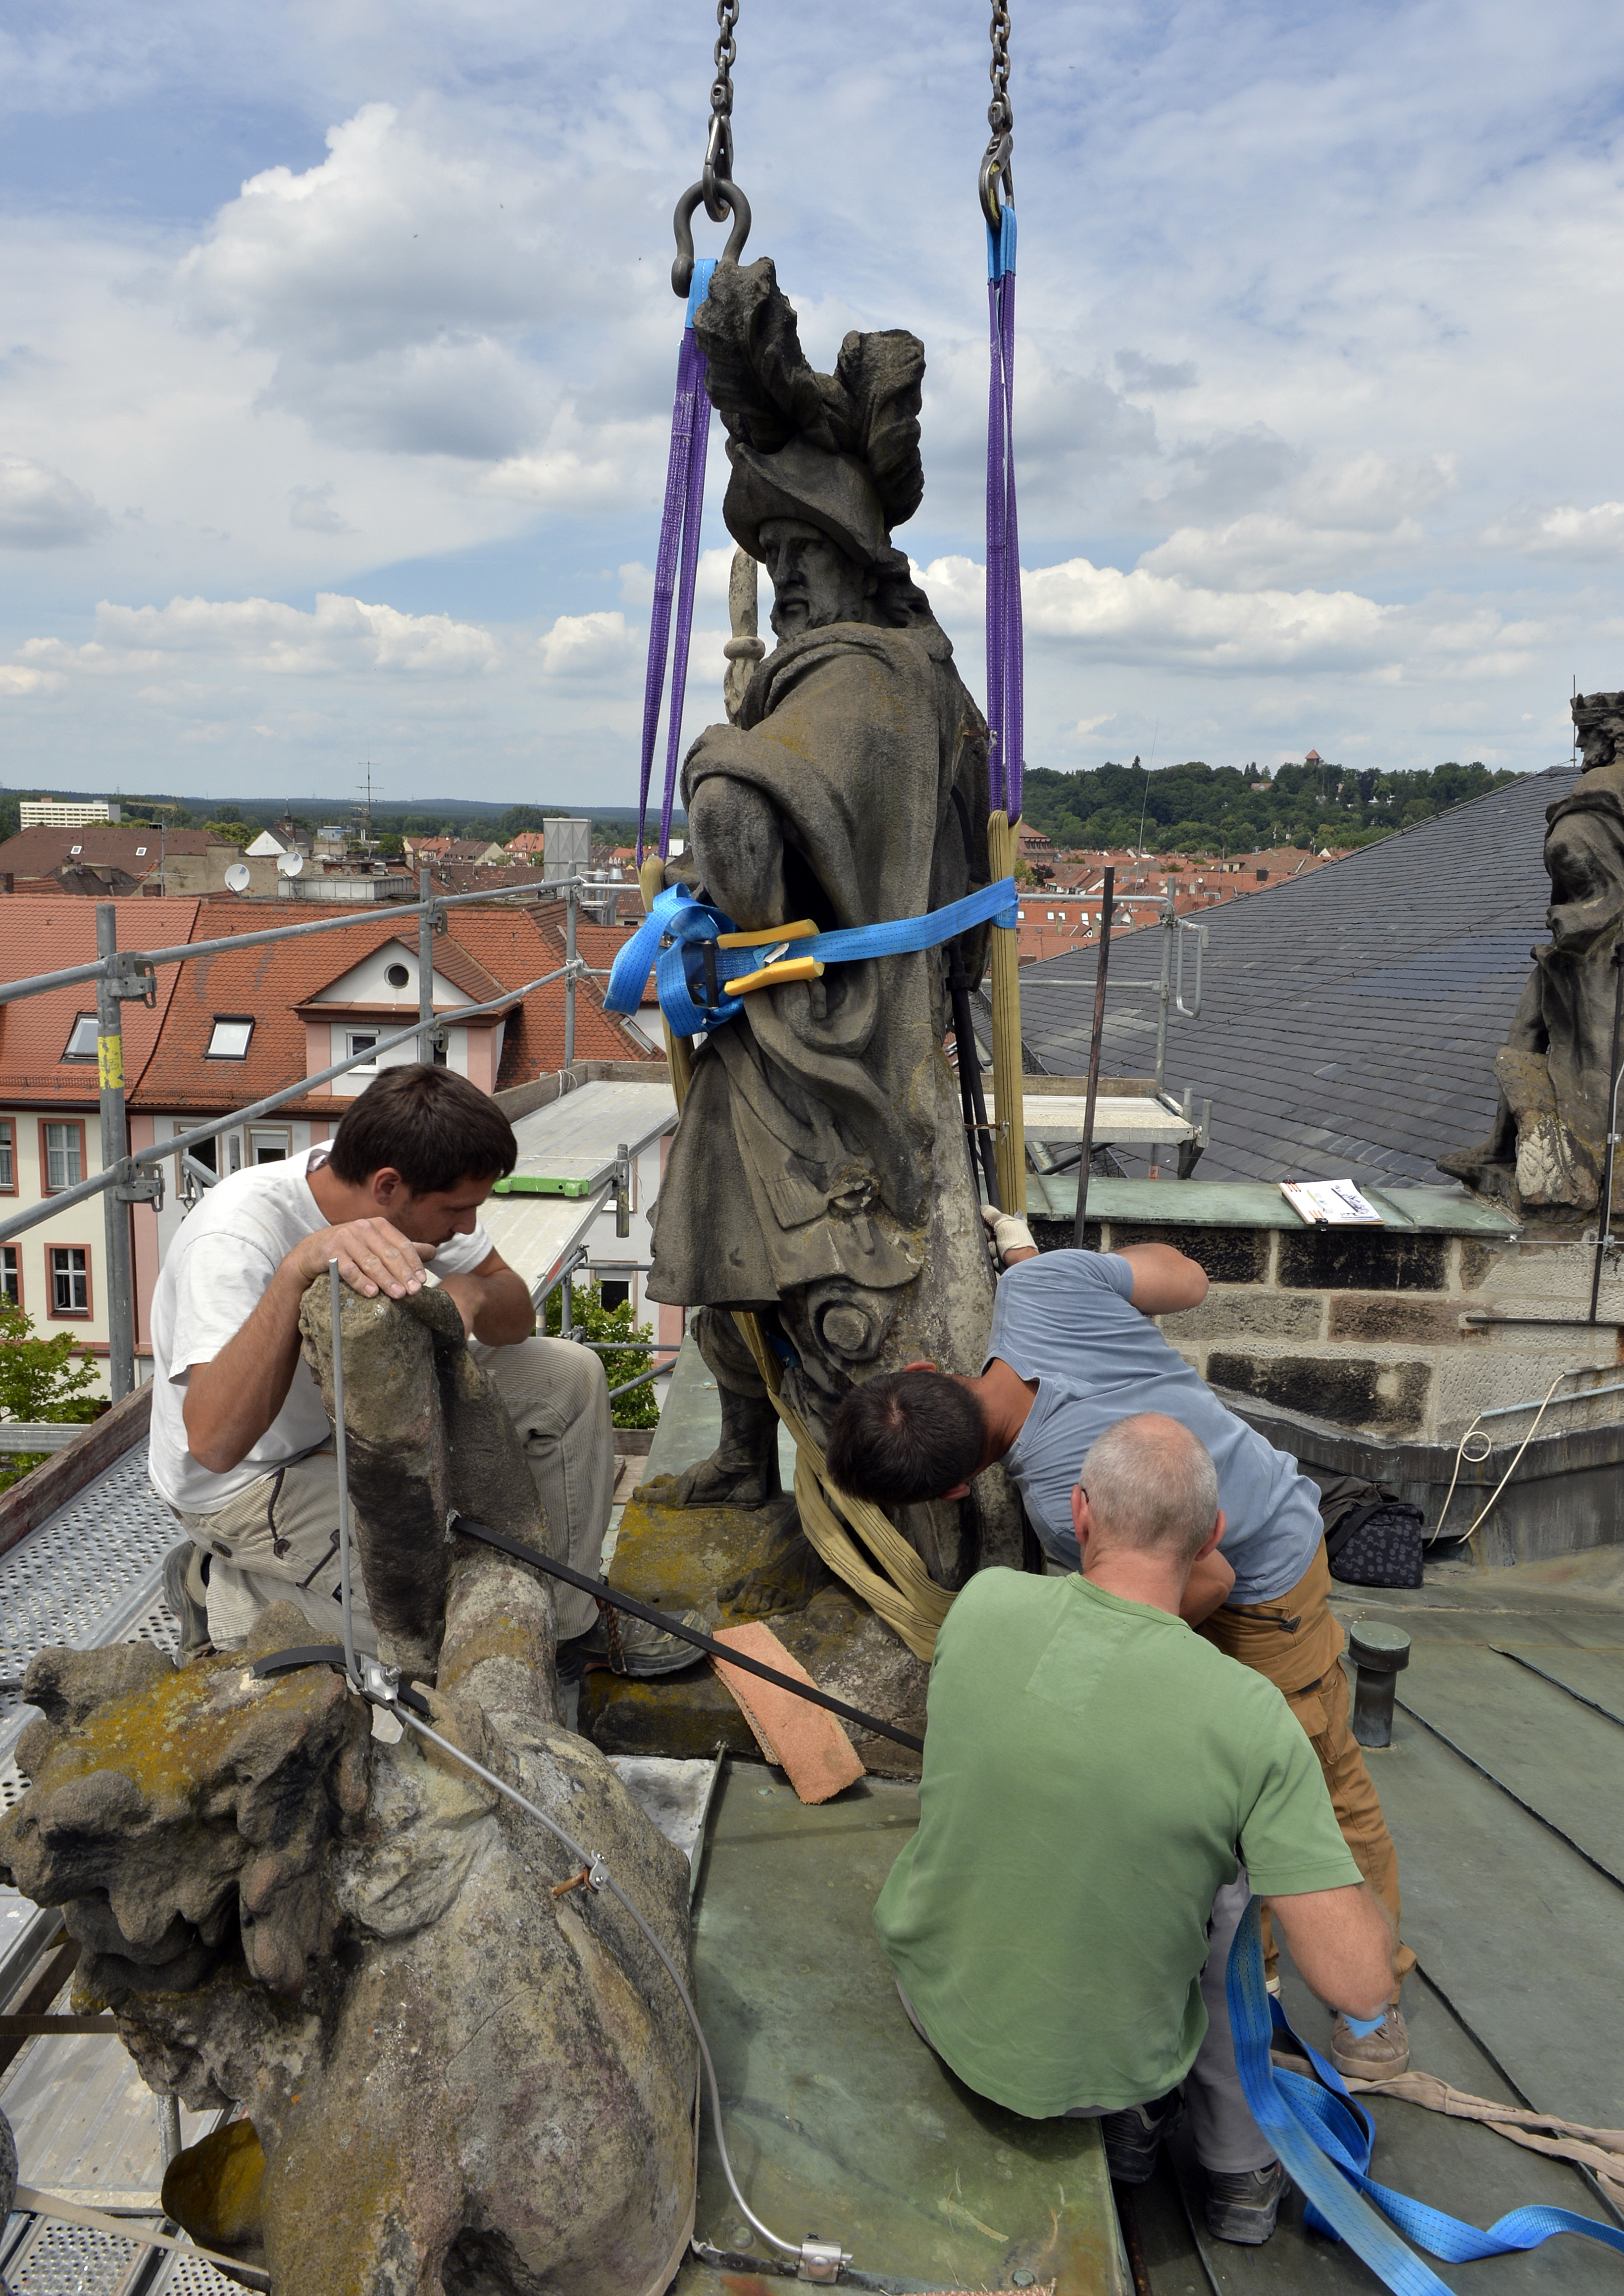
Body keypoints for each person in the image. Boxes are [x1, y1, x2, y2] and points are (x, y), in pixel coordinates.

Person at [827, 1210, 1414, 2080]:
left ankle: (1369, 2015)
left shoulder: (1066, 1498)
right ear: (924, 1371)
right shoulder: (1040, 1287)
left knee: (1320, 1784)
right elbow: (1185, 1276)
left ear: (954, 1488)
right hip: (1230, 1531)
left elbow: (1206, 1581)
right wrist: (1042, 1260)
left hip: (1263, 1578)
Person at [873, 1412, 1396, 2244]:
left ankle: (1145, 2120)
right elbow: (1362, 1984)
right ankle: (1233, 2162)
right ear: (1213, 1533)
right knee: (1231, 1882)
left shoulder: (984, 1601)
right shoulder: (1249, 1716)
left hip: (938, 2008)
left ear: (1079, 1513)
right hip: (1104, 2071)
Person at [150, 1065, 701, 1678]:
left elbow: (511, 1311)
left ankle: (568, 1626)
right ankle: (218, 1590)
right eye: (456, 1210)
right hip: (251, 1482)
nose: (467, 1226)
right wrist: (297, 1269)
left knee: (566, 1374)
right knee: (437, 1625)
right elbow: (215, 1445)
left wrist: (470, 1294)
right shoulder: (235, 1238)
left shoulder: (399, 1178)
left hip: (359, 1426)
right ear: (388, 1186)